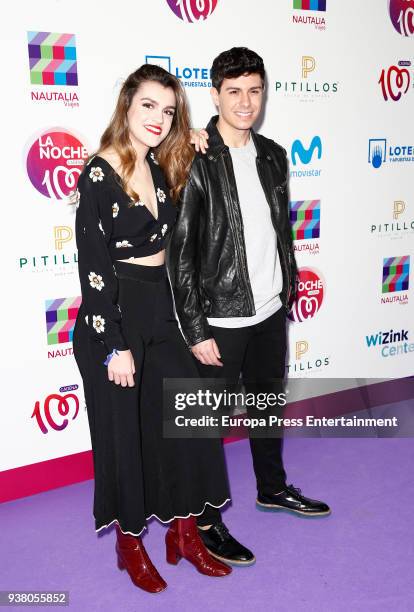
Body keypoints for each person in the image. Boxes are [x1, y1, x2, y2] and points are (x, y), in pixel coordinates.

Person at [72, 64, 233, 594]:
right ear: (126, 105)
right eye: (148, 106)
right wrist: (112, 345)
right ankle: (130, 545)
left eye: (167, 110)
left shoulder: (161, 166)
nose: (158, 119)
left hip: (161, 305)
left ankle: (185, 534)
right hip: (114, 315)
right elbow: (93, 268)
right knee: (127, 440)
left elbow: (186, 148)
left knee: (186, 422)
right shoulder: (99, 172)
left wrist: (189, 134)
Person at [168, 47, 331, 568]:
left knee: (266, 406)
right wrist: (196, 329)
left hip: (268, 308)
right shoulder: (192, 157)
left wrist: (287, 288)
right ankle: (207, 519)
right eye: (233, 91)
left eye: (254, 91)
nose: (245, 102)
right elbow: (182, 255)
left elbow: (277, 231)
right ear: (214, 94)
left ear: (263, 94)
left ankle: (272, 488)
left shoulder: (273, 154)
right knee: (206, 425)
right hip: (219, 317)